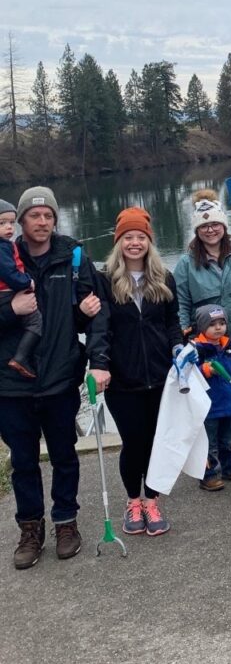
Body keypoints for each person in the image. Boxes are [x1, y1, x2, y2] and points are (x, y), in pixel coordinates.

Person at [0, 187, 108, 569]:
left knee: (65, 456)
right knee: (24, 461)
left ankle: (66, 521)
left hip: (61, 378)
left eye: (48, 215)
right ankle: (30, 529)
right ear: (22, 222)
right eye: (34, 215)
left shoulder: (73, 257)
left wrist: (99, 360)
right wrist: (11, 309)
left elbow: (97, 312)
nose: (42, 222)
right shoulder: (4, 257)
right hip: (11, 384)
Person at [94, 207, 181, 534]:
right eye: (128, 237)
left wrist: (177, 348)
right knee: (133, 441)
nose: (134, 243)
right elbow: (99, 328)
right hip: (123, 381)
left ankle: (153, 500)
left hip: (161, 377)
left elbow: (172, 323)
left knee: (157, 441)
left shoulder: (164, 278)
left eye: (140, 237)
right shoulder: (104, 281)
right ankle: (134, 500)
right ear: (119, 242)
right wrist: (99, 364)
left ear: (149, 242)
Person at [174, 189, 231, 473]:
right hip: (206, 345)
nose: (210, 229)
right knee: (210, 397)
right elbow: (181, 303)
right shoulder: (185, 264)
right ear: (197, 230)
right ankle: (212, 452)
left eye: (214, 223)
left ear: (223, 226)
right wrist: (183, 334)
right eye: (203, 225)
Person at [191, 305, 231, 491]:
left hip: (228, 402)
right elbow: (190, 375)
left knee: (226, 438)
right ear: (202, 326)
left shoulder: (229, 346)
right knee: (209, 443)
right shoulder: (196, 349)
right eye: (213, 324)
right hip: (209, 406)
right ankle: (208, 474)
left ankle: (229, 466)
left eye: (222, 323)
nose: (218, 327)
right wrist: (206, 370)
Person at [0, 199, 42, 379]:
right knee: (36, 321)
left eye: (11, 222)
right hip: (7, 293)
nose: (9, 227)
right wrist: (27, 282)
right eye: (2, 223)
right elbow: (9, 273)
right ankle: (21, 357)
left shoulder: (6, 245)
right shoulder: (1, 248)